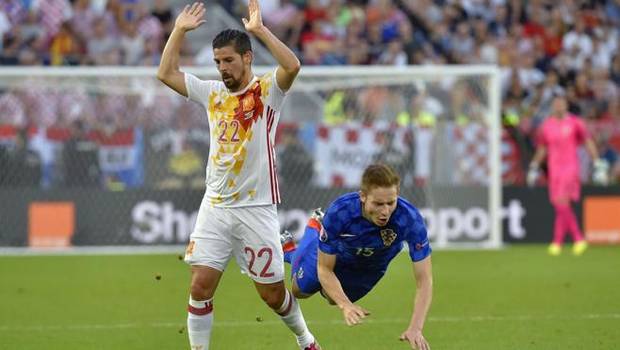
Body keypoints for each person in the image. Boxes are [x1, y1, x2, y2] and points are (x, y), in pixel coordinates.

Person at [157, 2, 320, 350]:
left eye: (228, 60)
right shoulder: (212, 93)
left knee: (273, 295)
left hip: (256, 208)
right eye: (217, 62)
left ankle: (305, 340)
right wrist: (179, 31)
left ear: (247, 58)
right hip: (215, 206)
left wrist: (260, 30)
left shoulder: (266, 91)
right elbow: (166, 74)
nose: (222, 68)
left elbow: (292, 65)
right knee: (200, 286)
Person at [282, 164, 433, 350]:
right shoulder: (341, 212)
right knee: (300, 291)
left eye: (391, 203)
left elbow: (424, 280)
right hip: (336, 255)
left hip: (371, 268)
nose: (385, 211)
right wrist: (345, 305)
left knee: (330, 297)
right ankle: (313, 227)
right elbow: (324, 269)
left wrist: (416, 328)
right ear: (363, 196)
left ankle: (291, 250)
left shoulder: (410, 219)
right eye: (378, 204)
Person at [527, 95, 608, 256]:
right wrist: (534, 166)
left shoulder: (575, 122)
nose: (559, 107)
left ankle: (575, 238)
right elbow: (543, 148)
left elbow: (588, 142)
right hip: (554, 169)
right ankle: (559, 242)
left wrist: (597, 161)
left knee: (561, 202)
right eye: (556, 104)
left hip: (570, 167)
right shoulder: (546, 126)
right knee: (560, 206)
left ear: (566, 106)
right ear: (552, 106)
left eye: (561, 104)